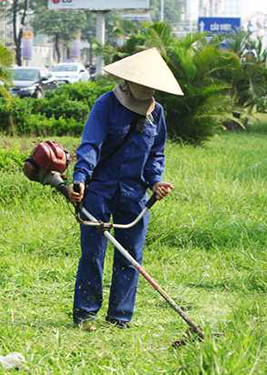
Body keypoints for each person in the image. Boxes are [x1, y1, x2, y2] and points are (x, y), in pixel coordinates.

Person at [68, 48, 182, 329]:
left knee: (130, 256)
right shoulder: (105, 105)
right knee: (93, 253)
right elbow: (91, 145)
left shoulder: (157, 114)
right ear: (129, 81)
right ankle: (86, 313)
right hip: (99, 190)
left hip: (134, 194)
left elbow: (156, 153)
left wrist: (156, 182)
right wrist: (81, 177)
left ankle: (120, 317)